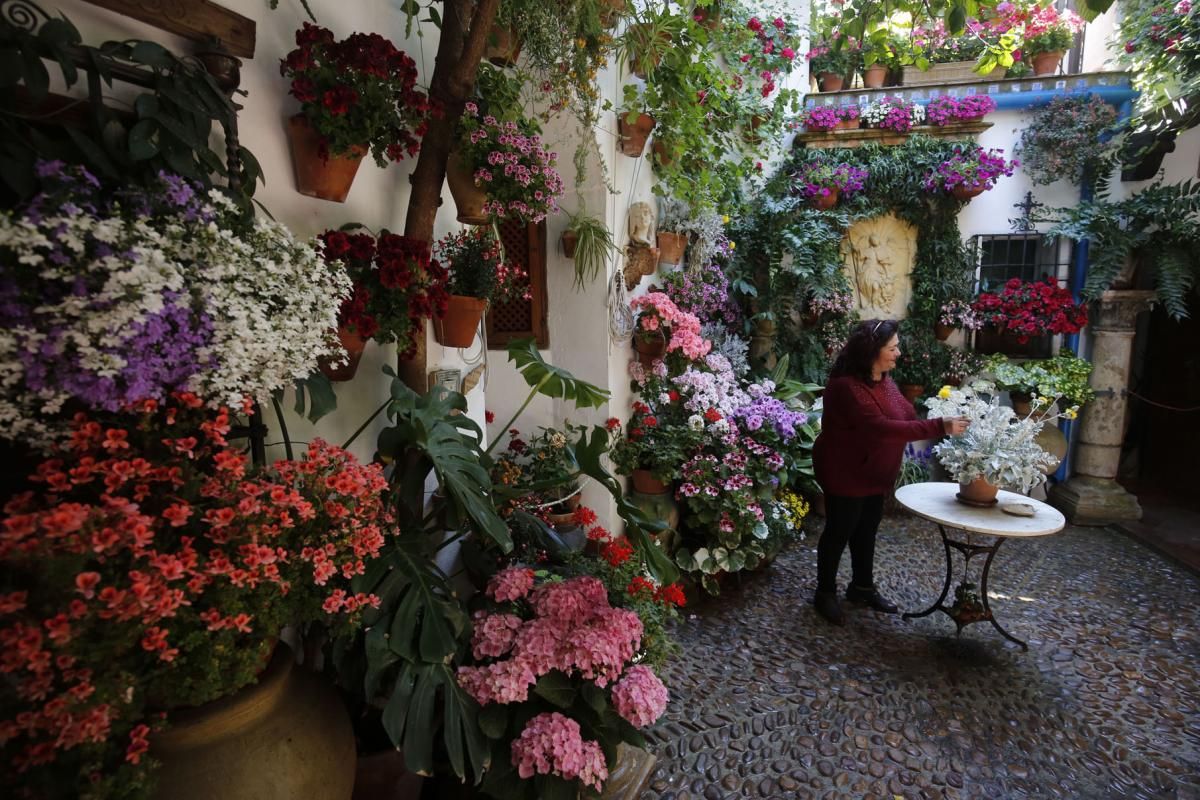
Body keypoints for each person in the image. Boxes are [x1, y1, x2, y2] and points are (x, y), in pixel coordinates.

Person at [811, 319, 969, 625]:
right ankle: (825, 592)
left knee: (866, 530)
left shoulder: (883, 379)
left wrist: (945, 410)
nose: (898, 352)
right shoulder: (845, 387)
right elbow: (880, 428)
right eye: (893, 347)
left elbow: (905, 414)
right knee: (838, 532)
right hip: (845, 472)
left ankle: (861, 587)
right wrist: (940, 425)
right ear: (873, 350)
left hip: (874, 474)